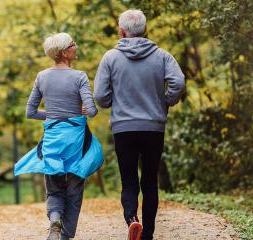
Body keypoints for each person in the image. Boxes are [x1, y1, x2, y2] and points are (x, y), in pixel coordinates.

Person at [94, 9, 186, 240]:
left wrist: (113, 101)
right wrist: (165, 102)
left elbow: (100, 97)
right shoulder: (162, 55)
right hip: (153, 127)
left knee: (128, 180)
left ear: (121, 30)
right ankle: (148, 235)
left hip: (124, 128)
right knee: (149, 181)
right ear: (144, 29)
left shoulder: (110, 58)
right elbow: (179, 82)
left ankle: (132, 220)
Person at [14, 32, 103, 240]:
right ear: (65, 52)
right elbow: (91, 111)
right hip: (76, 142)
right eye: (73, 44)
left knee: (54, 186)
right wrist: (78, 111)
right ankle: (65, 236)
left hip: (52, 141)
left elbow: (31, 112)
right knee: (74, 190)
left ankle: (54, 219)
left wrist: (53, 114)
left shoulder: (42, 77)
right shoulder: (79, 76)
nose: (76, 46)